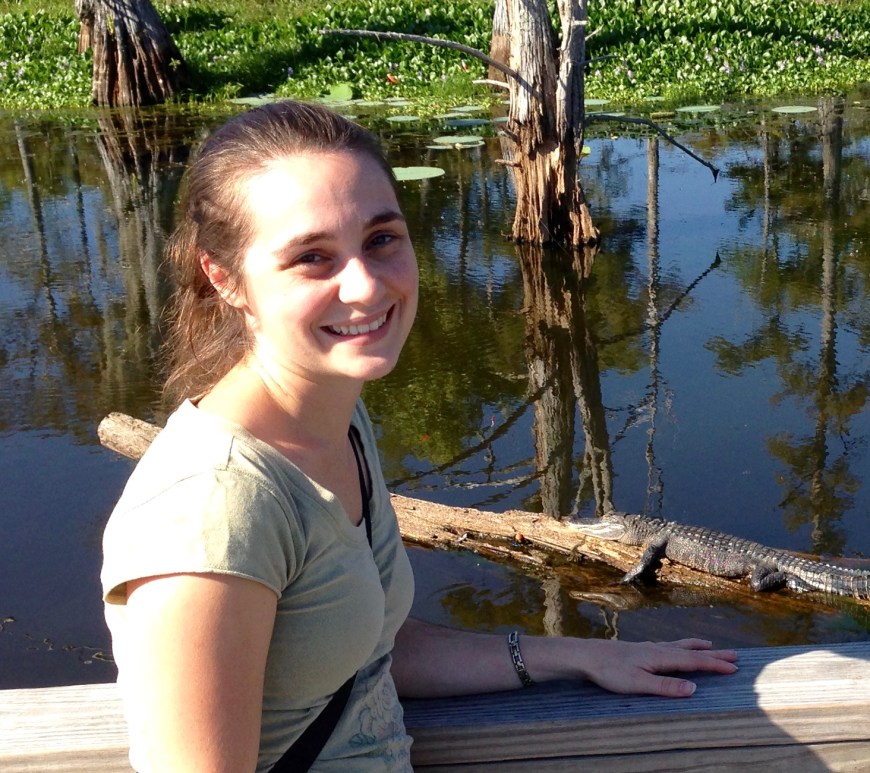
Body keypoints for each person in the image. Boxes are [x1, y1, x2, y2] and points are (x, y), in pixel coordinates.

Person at [100, 100, 738, 772]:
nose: (365, 285)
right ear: (224, 278)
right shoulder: (212, 510)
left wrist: (576, 653)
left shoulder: (337, 418)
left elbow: (367, 648)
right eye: (312, 257)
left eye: (381, 239)